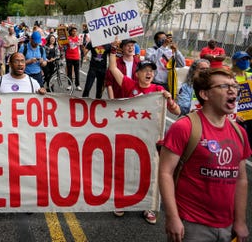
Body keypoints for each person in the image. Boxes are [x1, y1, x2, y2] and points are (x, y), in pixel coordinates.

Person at [159, 68, 251, 242]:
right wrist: (172, 217)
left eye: (234, 86)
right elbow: (165, 173)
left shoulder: (240, 133)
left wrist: (240, 221)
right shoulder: (184, 127)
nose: (232, 90)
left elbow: (241, 179)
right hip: (191, 225)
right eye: (224, 86)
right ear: (205, 94)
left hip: (227, 225)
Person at [108, 40, 180, 224]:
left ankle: (148, 205)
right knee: (126, 169)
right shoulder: (129, 85)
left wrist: (169, 100)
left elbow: (177, 112)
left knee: (151, 171)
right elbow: (114, 69)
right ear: (137, 73)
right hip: (130, 136)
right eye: (145, 70)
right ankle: (123, 201)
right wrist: (113, 50)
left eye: (152, 71)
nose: (149, 73)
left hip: (152, 140)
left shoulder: (158, 90)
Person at [65, 26, 82, 91]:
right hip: (69, 57)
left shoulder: (78, 39)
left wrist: (82, 56)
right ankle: (69, 85)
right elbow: (63, 45)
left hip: (76, 57)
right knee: (69, 72)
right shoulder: (68, 38)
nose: (74, 32)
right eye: (73, 31)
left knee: (77, 72)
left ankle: (77, 85)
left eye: (75, 31)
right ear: (71, 32)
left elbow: (81, 47)